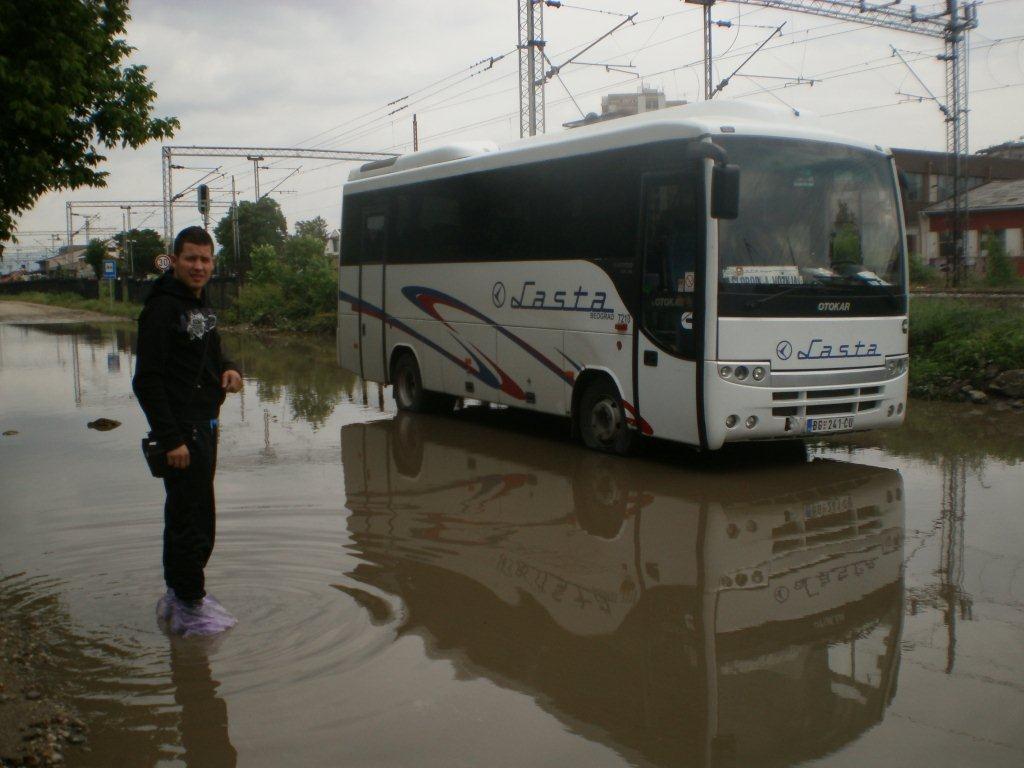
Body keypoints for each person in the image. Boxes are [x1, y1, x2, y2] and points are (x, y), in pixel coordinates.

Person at [133, 226, 243, 636]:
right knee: (190, 519)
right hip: (184, 434)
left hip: (203, 427)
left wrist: (231, 367)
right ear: (174, 260)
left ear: (213, 264)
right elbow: (146, 381)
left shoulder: (197, 303)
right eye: (191, 258)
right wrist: (172, 439)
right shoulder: (162, 310)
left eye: (205, 259)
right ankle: (189, 603)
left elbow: (213, 349)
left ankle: (183, 594)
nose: (199, 266)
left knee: (194, 515)